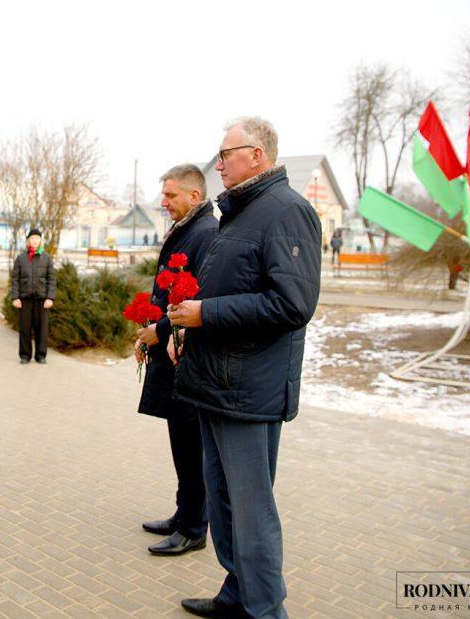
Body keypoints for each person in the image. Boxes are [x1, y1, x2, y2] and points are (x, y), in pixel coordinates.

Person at [169, 117, 320, 619]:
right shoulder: (241, 212)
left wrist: (206, 314)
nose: (218, 163)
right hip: (217, 381)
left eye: (226, 154)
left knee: (252, 514)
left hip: (248, 391)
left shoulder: (286, 212)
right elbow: (233, 289)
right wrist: (192, 330)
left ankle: (265, 611)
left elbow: (292, 303)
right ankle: (237, 595)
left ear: (256, 155)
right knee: (226, 505)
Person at [135, 165, 217, 556]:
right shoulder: (188, 230)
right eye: (163, 195)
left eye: (170, 196)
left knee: (191, 443)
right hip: (172, 354)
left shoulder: (204, 234)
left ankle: (193, 527)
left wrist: (161, 332)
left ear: (194, 197)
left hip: (186, 356)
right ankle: (184, 513)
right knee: (181, 441)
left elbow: (194, 300)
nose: (163, 203)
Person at [10, 228, 57, 364]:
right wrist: (15, 297)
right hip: (24, 300)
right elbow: (15, 280)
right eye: (32, 238)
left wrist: (50, 298)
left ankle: (41, 355)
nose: (34, 241)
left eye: (37, 238)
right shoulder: (21, 259)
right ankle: (25, 355)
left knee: (41, 329)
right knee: (25, 328)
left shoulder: (47, 258)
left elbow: (52, 280)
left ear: (41, 241)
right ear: (28, 241)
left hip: (42, 300)